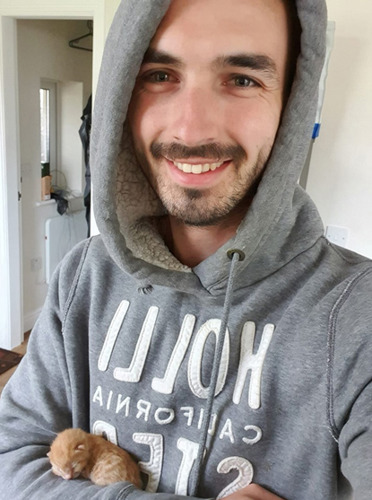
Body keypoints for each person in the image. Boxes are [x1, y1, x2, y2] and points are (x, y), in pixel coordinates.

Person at [0, 0, 371, 499]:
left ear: (292, 105)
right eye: (158, 74)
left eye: (242, 78)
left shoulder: (357, 314)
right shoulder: (84, 276)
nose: (192, 130)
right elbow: (11, 457)